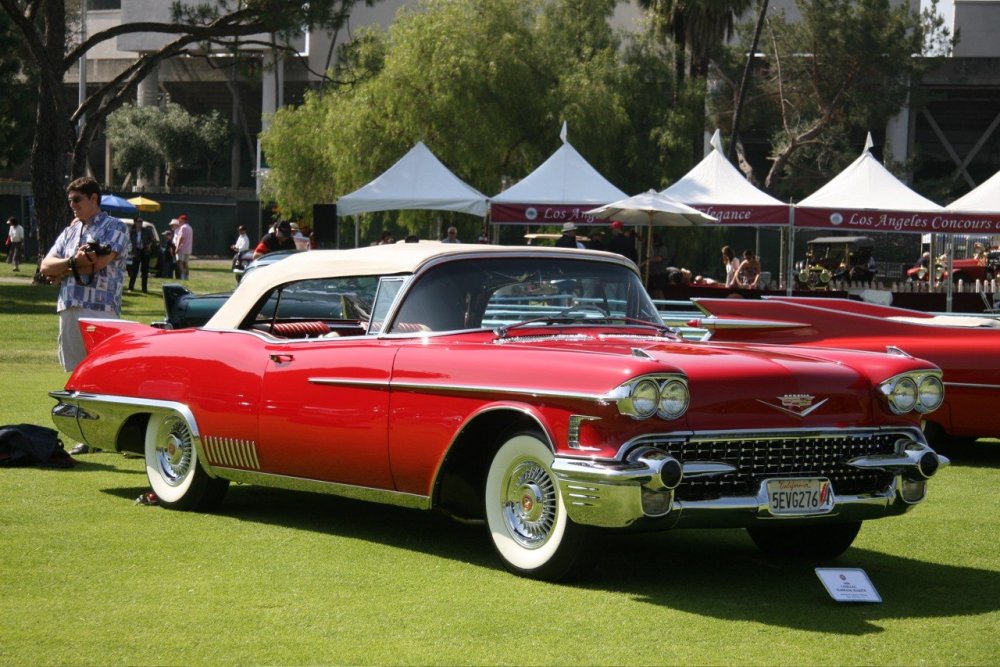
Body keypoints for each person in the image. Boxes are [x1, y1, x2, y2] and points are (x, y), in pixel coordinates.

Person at [39, 177, 129, 396]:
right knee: (77, 372)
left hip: (100, 309)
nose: (72, 205)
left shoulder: (115, 227)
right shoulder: (70, 231)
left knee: (103, 371)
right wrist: (72, 263)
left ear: (93, 198)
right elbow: (45, 266)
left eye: (77, 199)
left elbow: (96, 265)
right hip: (69, 306)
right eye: (70, 201)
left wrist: (62, 271)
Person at [126, 216, 157, 293]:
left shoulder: (146, 231)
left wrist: (149, 245)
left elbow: (153, 240)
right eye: (139, 221)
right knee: (134, 270)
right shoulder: (132, 232)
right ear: (135, 222)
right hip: (136, 251)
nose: (140, 223)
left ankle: (144, 289)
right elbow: (128, 241)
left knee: (145, 271)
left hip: (145, 251)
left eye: (141, 221)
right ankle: (131, 287)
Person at [173, 213, 193, 280]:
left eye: (180, 220)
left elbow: (181, 238)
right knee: (185, 264)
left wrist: (178, 248)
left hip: (182, 249)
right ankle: (187, 277)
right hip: (188, 249)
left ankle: (182, 277)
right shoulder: (190, 228)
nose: (179, 222)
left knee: (180, 262)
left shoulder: (183, 227)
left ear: (183, 220)